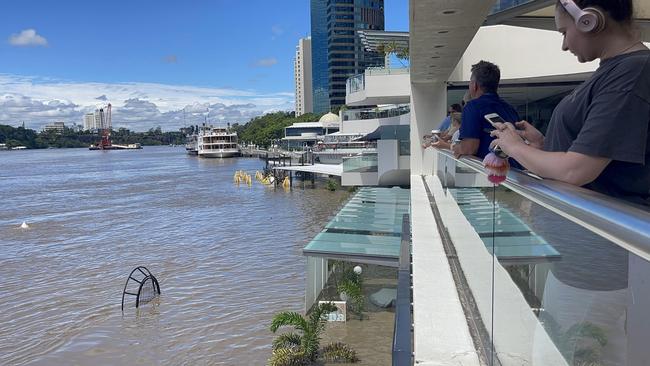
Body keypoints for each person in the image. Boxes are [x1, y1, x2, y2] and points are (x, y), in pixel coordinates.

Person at [491, 0, 649, 205]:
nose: (564, 45)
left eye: (564, 32)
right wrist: (542, 145)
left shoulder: (632, 72)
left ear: (589, 21)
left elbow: (575, 171)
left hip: (601, 229)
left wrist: (514, 147)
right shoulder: (616, 71)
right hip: (585, 226)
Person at [452, 60, 520, 160]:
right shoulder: (510, 109)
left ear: (474, 85)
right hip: (515, 171)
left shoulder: (473, 107)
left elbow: (469, 148)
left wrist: (455, 147)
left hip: (491, 171)